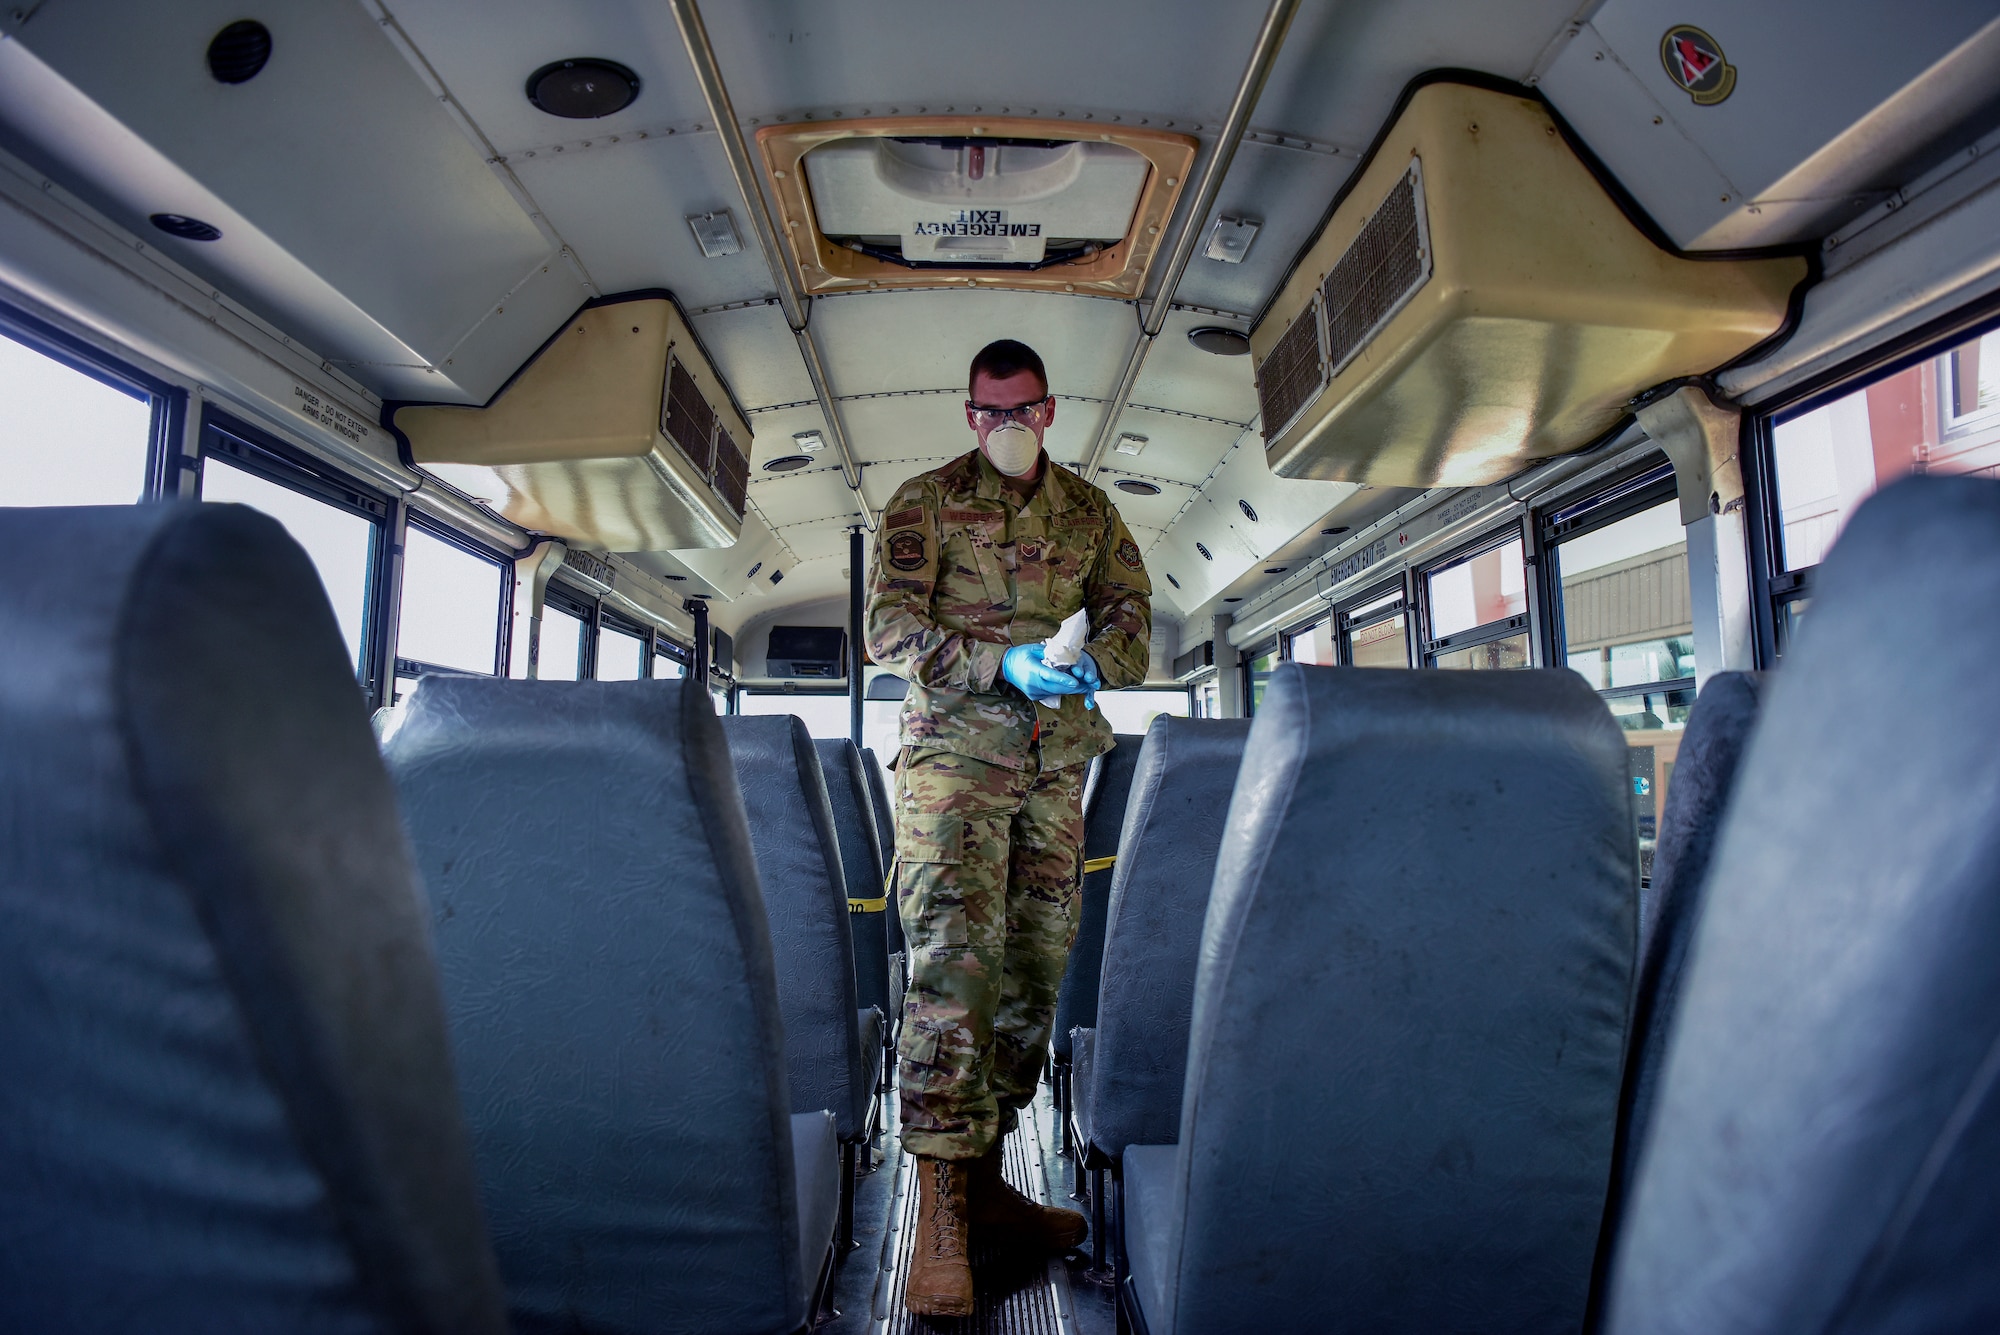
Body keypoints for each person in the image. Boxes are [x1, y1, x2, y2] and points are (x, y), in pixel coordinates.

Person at [865, 338, 1153, 1316]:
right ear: (968, 415)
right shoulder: (925, 503)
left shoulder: (1088, 512)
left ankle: (984, 1187)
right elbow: (888, 629)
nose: (1004, 426)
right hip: (952, 775)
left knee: (1031, 979)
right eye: (988, 412)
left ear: (1048, 410)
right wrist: (1001, 667)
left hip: (1048, 777)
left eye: (1020, 409)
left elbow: (1130, 613)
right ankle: (939, 1210)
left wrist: (1091, 665)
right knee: (952, 973)